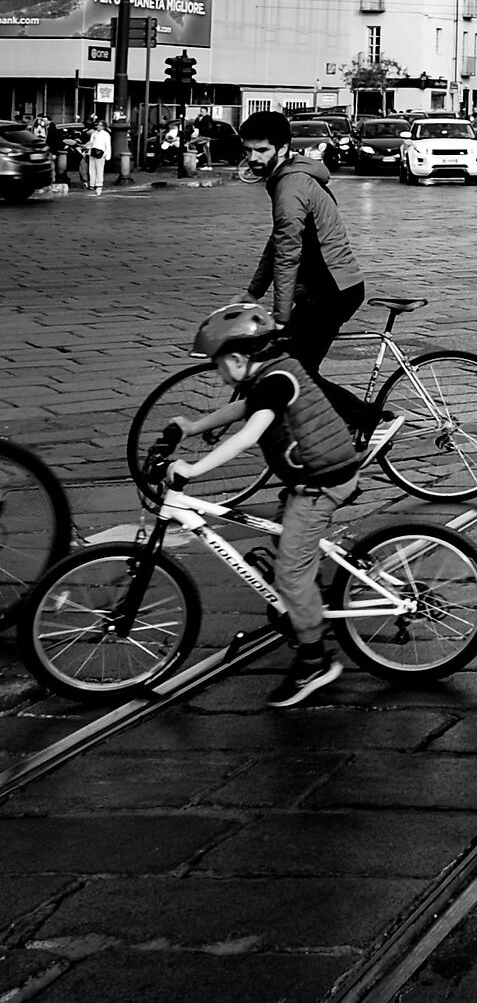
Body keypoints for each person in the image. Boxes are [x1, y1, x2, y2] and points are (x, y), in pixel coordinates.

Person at [167, 303, 370, 708]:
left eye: (218, 364)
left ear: (239, 359)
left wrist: (193, 470)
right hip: (310, 477)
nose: (219, 373)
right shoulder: (271, 374)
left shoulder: (277, 382)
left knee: (291, 575)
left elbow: (247, 434)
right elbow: (241, 408)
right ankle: (304, 610)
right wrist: (193, 426)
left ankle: (315, 661)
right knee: (287, 552)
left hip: (321, 484)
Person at [237, 112, 383, 432]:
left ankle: (366, 419)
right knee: (292, 366)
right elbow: (278, 241)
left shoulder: (290, 186)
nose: (253, 158)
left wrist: (280, 315)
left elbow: (288, 255)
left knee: (295, 373)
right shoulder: (290, 177)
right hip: (324, 286)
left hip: (332, 289)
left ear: (283, 148)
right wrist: (253, 292)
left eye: (261, 150)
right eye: (248, 150)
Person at [82, 118, 111, 191]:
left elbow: (108, 145)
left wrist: (107, 155)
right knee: (92, 169)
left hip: (101, 152)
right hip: (93, 152)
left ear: (103, 126)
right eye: (98, 125)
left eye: (100, 125)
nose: (98, 126)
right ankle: (92, 183)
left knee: (99, 169)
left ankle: (99, 183)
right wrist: (88, 150)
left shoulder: (106, 134)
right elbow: (91, 143)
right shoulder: (94, 133)